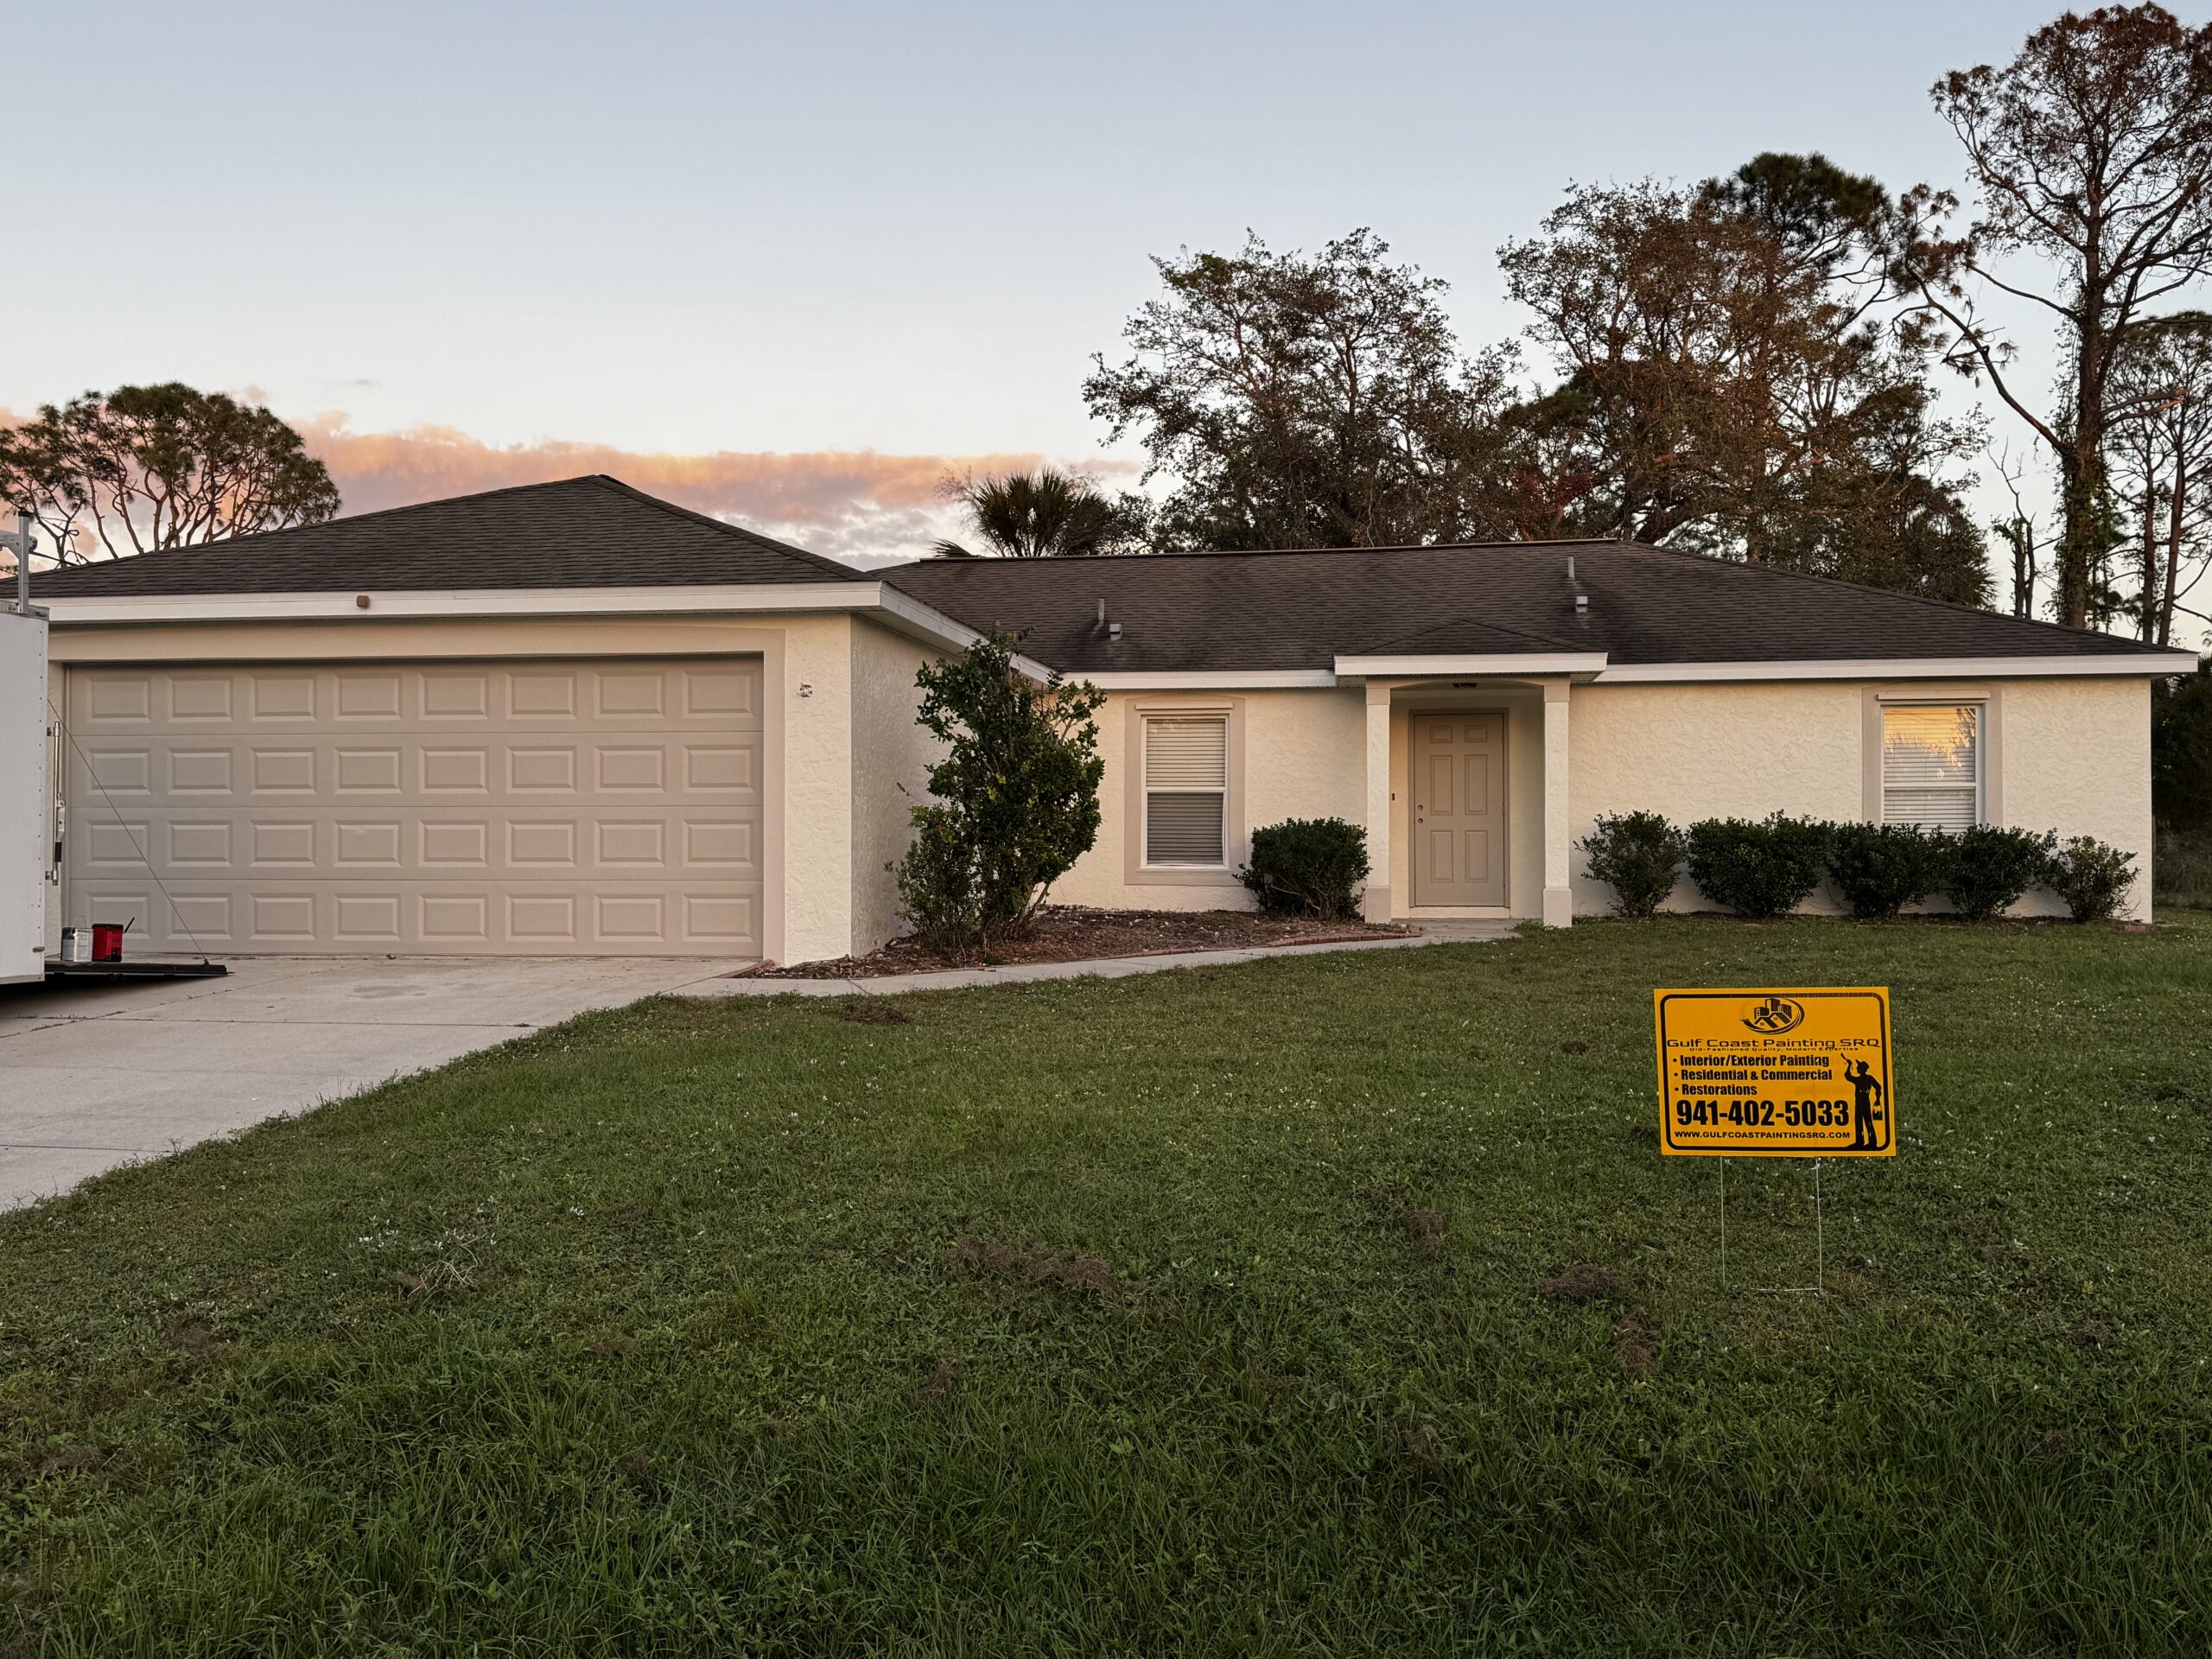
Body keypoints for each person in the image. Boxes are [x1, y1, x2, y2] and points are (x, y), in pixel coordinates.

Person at [1844, 1059, 1885, 1151]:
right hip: (1859, 1102)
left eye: (1858, 1067)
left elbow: (1878, 1087)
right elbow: (1847, 1076)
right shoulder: (1860, 1079)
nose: (1857, 1068)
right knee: (1859, 1121)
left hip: (1864, 1102)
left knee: (1868, 1121)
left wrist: (1878, 1099)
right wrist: (1849, 1065)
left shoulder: (1867, 1078)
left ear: (1862, 1069)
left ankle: (1872, 1142)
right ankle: (1860, 1142)